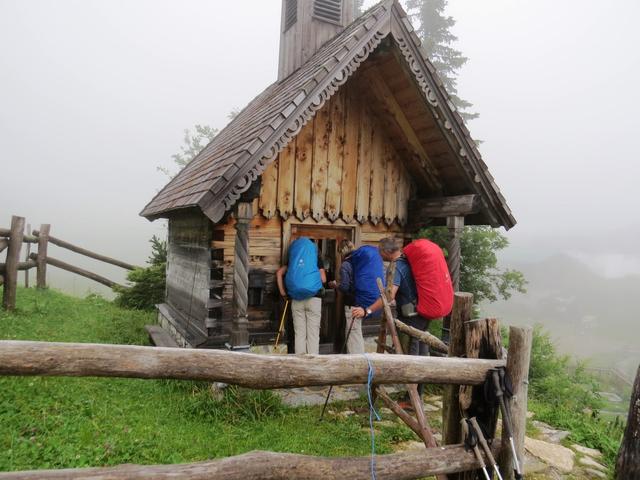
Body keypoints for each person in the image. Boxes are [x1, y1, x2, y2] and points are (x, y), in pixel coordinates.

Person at [352, 237, 429, 395]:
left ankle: (413, 397)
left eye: (380, 251)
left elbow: (388, 296)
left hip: (411, 316)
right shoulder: (407, 261)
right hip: (421, 312)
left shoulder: (397, 266)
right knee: (421, 352)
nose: (379, 255)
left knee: (412, 355)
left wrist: (368, 310)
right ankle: (418, 392)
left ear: (387, 252)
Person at [276, 237, 326, 354]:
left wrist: (284, 293)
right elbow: (323, 279)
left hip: (296, 299)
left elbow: (279, 273)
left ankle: (300, 363)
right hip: (314, 298)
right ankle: (312, 364)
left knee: (299, 333)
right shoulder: (316, 257)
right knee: (313, 333)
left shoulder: (294, 258)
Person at [329, 239, 364, 354]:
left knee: (352, 333)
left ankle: (355, 361)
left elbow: (344, 287)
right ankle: (360, 358)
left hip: (351, 303)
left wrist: (335, 285)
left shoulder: (346, 264)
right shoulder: (359, 262)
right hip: (361, 301)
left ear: (342, 251)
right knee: (357, 333)